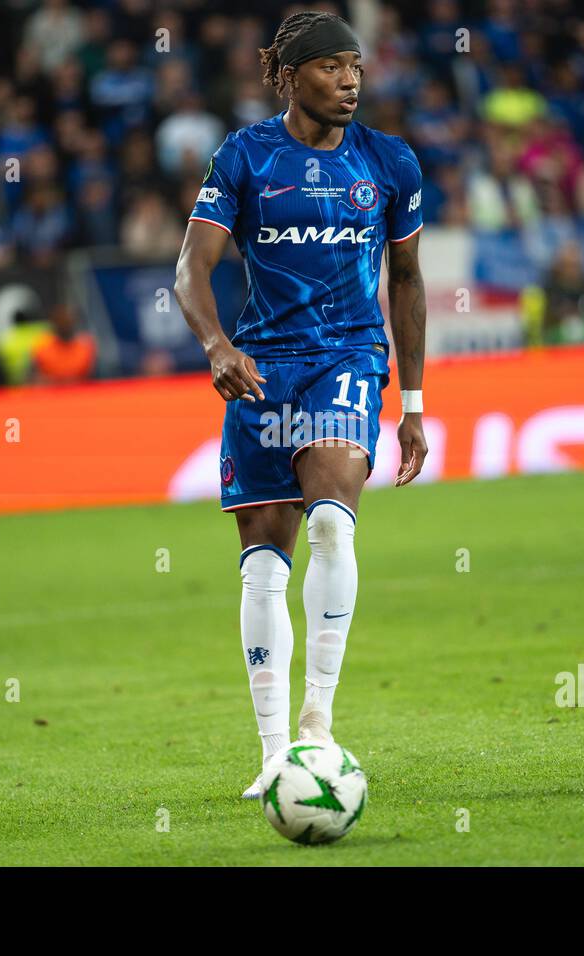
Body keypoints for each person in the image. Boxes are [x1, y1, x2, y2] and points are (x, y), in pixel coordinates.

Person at [173, 12, 427, 799]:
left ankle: (318, 721)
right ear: (289, 76)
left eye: (356, 66)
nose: (351, 80)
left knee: (328, 518)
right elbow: (191, 268)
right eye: (331, 67)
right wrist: (217, 345)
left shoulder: (390, 162)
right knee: (261, 568)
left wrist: (412, 401)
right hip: (263, 369)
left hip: (350, 360)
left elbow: (408, 282)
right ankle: (274, 752)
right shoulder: (245, 157)